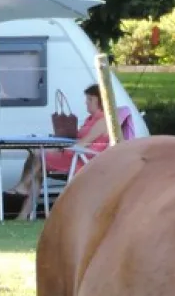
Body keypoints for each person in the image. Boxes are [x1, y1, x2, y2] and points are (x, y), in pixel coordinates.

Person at [7, 84, 117, 220]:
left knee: (37, 154)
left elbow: (84, 143)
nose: (86, 103)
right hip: (76, 154)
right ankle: (23, 215)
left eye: (90, 99)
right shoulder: (91, 119)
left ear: (100, 101)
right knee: (38, 166)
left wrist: (61, 148)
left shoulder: (103, 120)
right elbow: (78, 139)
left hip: (83, 160)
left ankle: (23, 185)